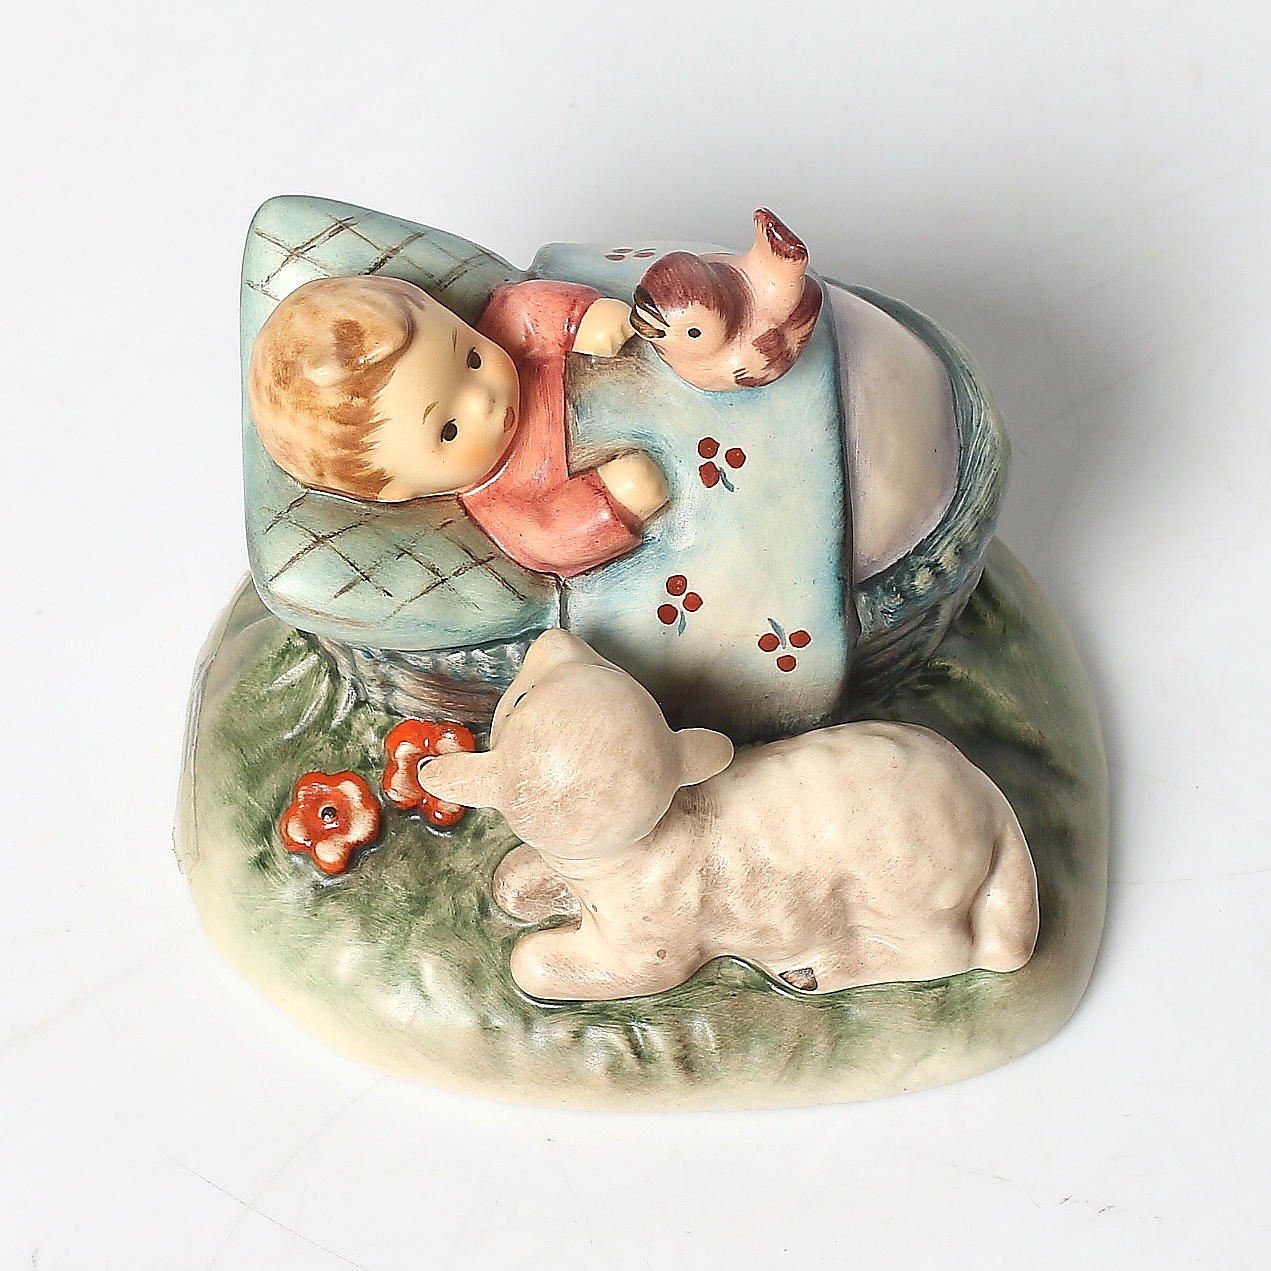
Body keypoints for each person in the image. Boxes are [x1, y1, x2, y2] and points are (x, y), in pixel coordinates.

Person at [248, 274, 667, 579]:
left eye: (471, 358)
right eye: (448, 429)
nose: (482, 399)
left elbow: (524, 308)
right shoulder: (509, 506)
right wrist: (617, 499)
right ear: (400, 491)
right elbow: (550, 536)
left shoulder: (509, 335)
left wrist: (582, 320)